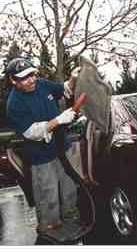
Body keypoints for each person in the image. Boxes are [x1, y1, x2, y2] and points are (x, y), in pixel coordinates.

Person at [6, 57, 83, 242]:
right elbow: (32, 132)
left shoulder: (41, 84)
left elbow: (64, 88)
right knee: (48, 195)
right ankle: (49, 229)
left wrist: (72, 79)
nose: (31, 79)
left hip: (61, 148)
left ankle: (71, 220)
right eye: (24, 78)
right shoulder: (14, 104)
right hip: (41, 156)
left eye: (32, 74)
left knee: (69, 188)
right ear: (13, 81)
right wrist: (59, 120)